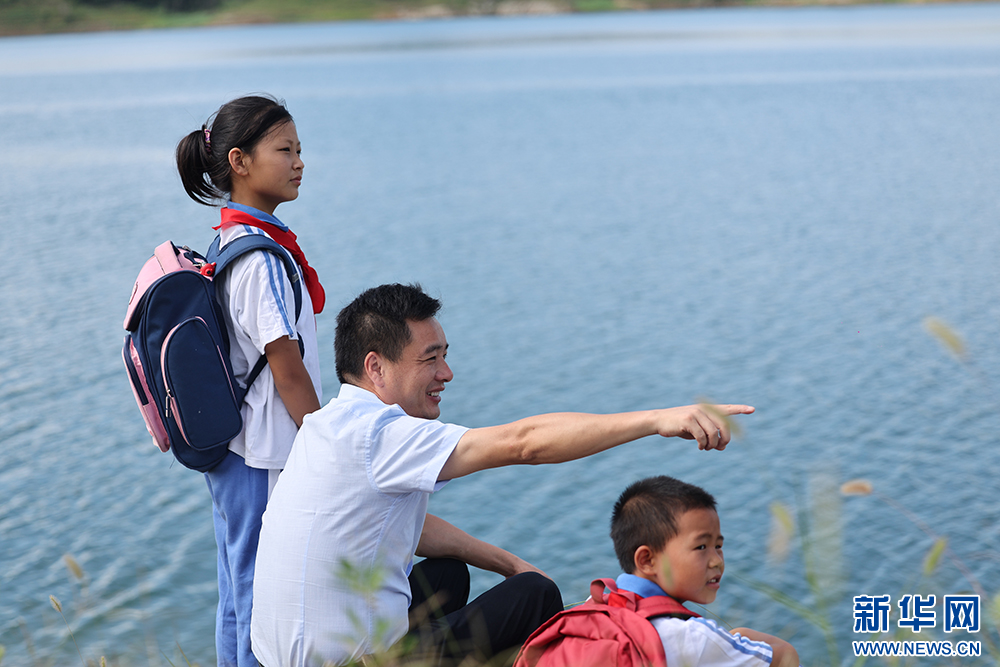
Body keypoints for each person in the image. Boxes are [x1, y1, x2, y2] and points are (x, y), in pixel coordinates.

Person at [251, 283, 754, 667]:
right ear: (376, 367)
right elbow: (525, 444)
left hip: (281, 655)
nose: (446, 374)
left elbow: (402, 524)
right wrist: (656, 420)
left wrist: (509, 562)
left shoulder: (326, 426)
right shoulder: (379, 435)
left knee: (451, 572)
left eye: (445, 356)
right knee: (537, 596)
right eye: (431, 359)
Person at [176, 94, 324, 667]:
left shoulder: (237, 242)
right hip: (262, 453)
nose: (299, 163)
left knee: (242, 584)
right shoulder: (257, 258)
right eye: (284, 150)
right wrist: (322, 443)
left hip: (247, 451)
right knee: (257, 592)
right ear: (239, 161)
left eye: (300, 151)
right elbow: (286, 370)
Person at [607, 475, 800, 667]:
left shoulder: (597, 606)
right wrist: (737, 637)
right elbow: (785, 658)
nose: (717, 561)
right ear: (647, 560)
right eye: (701, 547)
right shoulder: (693, 638)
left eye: (718, 546)